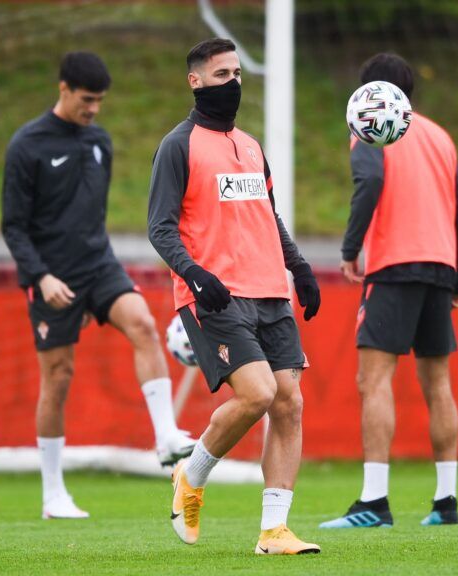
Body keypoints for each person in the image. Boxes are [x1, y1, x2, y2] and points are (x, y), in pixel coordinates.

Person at [1, 51, 195, 520]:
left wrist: (94, 289)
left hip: (98, 266)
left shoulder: (100, 142)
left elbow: (92, 215)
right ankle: (53, 494)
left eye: (100, 101)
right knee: (59, 376)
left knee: (143, 325)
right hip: (51, 276)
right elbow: (13, 227)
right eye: (87, 99)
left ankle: (166, 434)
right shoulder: (26, 145)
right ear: (63, 89)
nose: (94, 109)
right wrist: (42, 277)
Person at [147, 38, 323, 555]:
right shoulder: (177, 146)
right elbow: (160, 229)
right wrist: (194, 274)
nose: (233, 83)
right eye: (221, 75)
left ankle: (274, 531)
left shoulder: (250, 145)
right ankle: (192, 473)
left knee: (290, 404)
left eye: (238, 73)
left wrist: (299, 266)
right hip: (216, 297)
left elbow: (268, 215)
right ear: (195, 81)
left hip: (271, 289)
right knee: (259, 394)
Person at [319, 53, 458, 529]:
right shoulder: (438, 136)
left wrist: (351, 248)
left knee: (374, 381)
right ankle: (445, 502)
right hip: (439, 267)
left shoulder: (370, 122)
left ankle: (374, 502)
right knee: (438, 384)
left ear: (367, 92)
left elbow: (370, 179)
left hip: (394, 265)